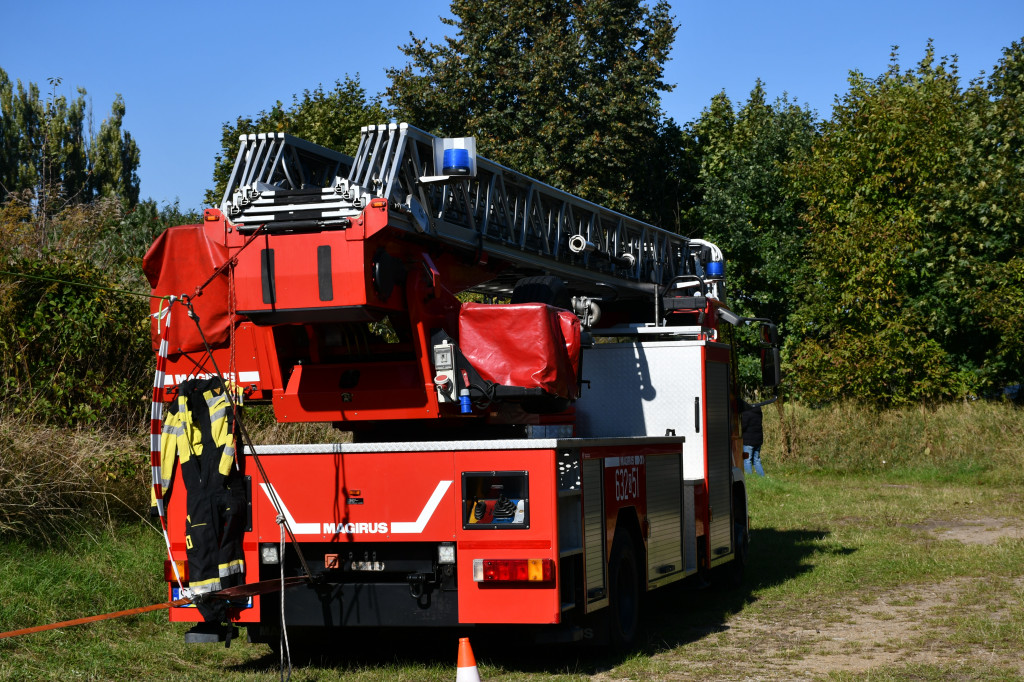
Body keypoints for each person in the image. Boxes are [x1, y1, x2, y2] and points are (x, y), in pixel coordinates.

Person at [741, 401, 765, 477]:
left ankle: (749, 477)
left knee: (747, 460)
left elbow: (743, 426)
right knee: (757, 460)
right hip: (758, 440)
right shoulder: (758, 412)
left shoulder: (746, 413)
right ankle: (762, 477)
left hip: (748, 441)